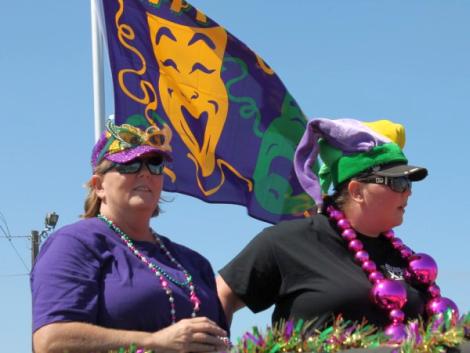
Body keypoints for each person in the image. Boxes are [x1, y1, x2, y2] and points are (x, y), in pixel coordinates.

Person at [216, 118, 459, 340]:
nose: (408, 191)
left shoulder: (408, 261)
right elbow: (220, 296)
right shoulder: (288, 241)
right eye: (397, 182)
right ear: (356, 191)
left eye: (408, 183)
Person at [31, 121, 229, 353]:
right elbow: (51, 342)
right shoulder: (74, 244)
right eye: (130, 164)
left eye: (155, 164)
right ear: (99, 186)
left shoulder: (195, 262)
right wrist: (156, 342)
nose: (145, 172)